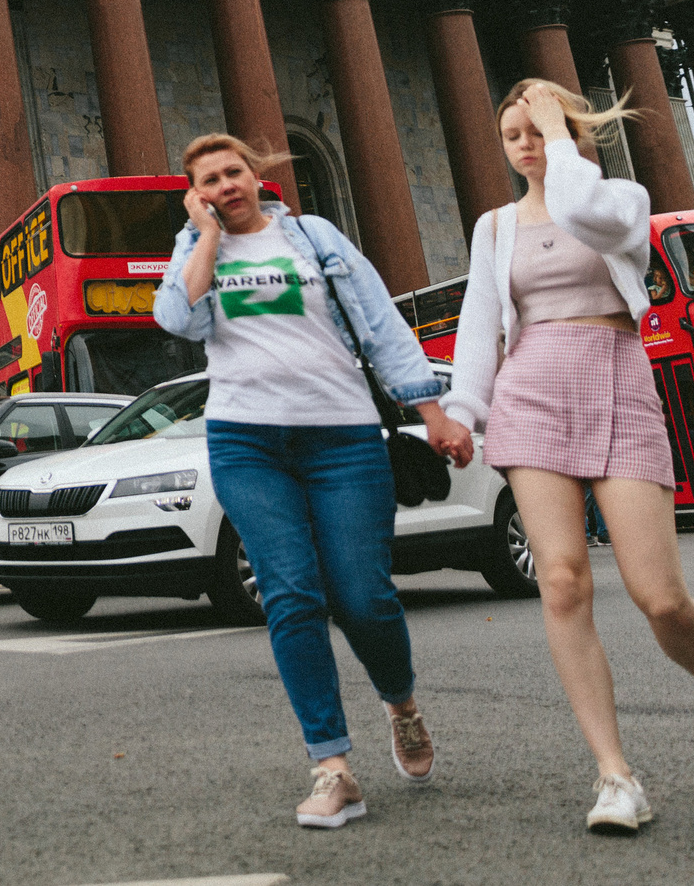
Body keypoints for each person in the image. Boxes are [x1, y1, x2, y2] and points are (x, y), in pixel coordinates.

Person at [443, 80, 694, 831]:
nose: (526, 144)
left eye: (539, 129)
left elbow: (582, 209)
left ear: (575, 131)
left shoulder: (619, 197)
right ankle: (615, 776)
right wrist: (462, 412)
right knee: (561, 580)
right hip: (532, 393)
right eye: (512, 133)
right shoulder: (493, 228)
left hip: (616, 378)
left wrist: (562, 142)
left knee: (660, 597)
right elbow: (477, 324)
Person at [155, 132, 470, 829]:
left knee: (363, 595)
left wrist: (432, 412)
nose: (225, 184)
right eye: (208, 179)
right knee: (291, 595)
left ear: (256, 173)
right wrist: (203, 235)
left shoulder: (314, 236)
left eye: (233, 170)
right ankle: (332, 766)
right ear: (195, 192)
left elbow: (380, 323)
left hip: (342, 436)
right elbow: (178, 317)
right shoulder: (193, 248)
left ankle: (402, 703)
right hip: (246, 440)